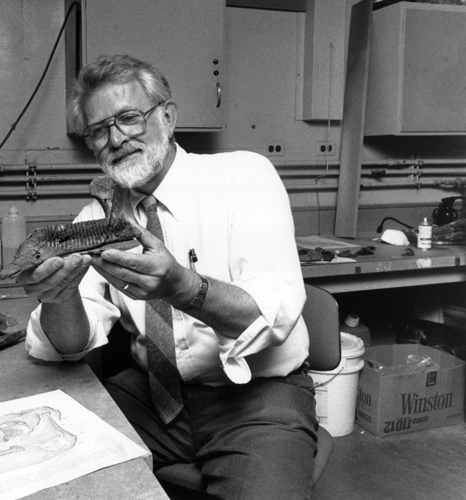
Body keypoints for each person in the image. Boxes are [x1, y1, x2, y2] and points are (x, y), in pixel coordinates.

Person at [16, 54, 316, 499]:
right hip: (153, 398)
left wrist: (182, 286)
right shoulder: (99, 217)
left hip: (257, 397)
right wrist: (58, 298)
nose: (116, 138)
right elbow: (67, 346)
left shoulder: (243, 178)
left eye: (129, 118)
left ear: (168, 118)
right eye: (99, 130)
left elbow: (276, 313)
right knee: (35, 467)